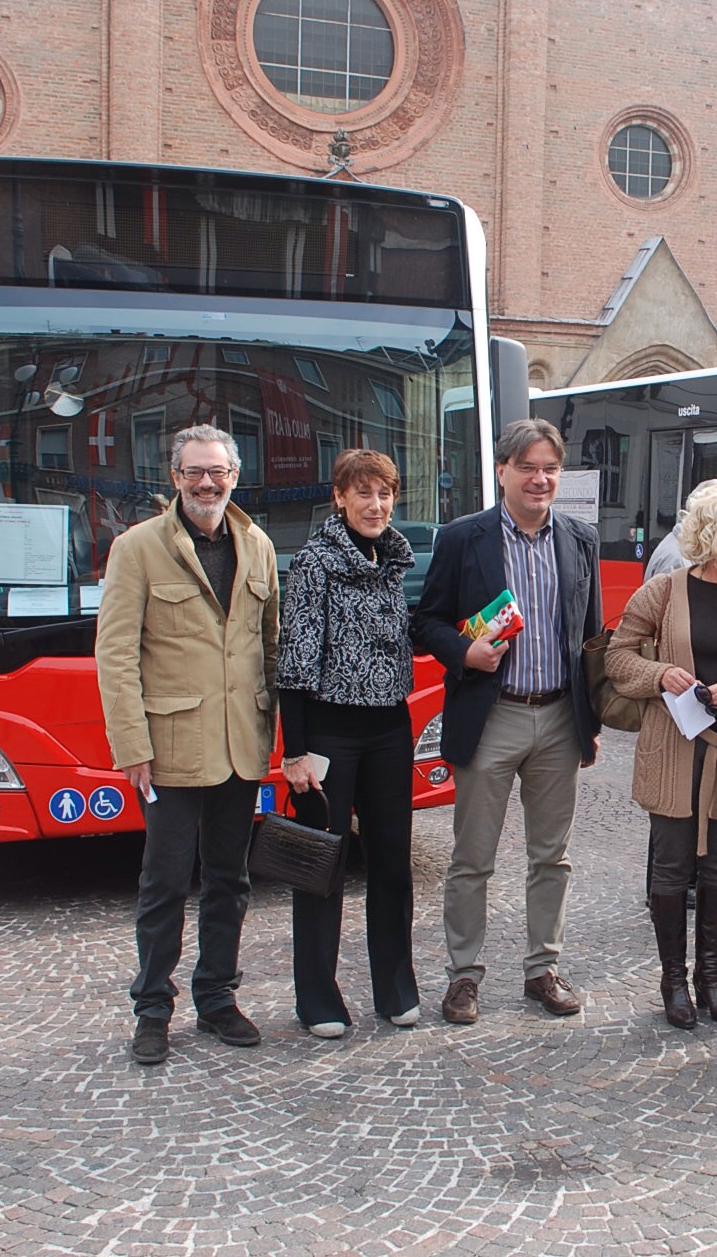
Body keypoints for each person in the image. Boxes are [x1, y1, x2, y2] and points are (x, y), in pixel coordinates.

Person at [96, 425, 280, 1065]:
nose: (208, 483)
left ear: (235, 476)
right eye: (195, 472)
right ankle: (152, 1007)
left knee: (230, 881)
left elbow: (270, 646)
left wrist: (280, 735)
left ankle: (217, 999)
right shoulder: (137, 548)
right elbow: (115, 655)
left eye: (220, 472)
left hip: (239, 746)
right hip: (170, 747)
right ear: (174, 477)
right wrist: (131, 746)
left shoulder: (257, 545)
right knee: (165, 883)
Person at [412, 419, 603, 1025]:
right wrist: (463, 652)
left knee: (553, 856)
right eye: (527, 467)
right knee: (473, 858)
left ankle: (542, 968)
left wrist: (590, 719)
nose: (540, 479)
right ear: (502, 472)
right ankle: (463, 976)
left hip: (557, 718)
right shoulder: (464, 538)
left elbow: (590, 640)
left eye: (550, 468)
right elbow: (428, 621)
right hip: (492, 716)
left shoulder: (580, 538)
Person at [606, 483, 717, 1028]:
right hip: (674, 749)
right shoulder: (661, 592)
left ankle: (712, 977)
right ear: (710, 537)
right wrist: (660, 673)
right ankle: (673, 981)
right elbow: (617, 658)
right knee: (671, 865)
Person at [276, 449, 420, 1038]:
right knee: (322, 867)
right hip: (330, 732)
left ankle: (395, 987)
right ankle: (317, 996)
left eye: (384, 493)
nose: (376, 505)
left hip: (389, 727)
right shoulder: (315, 563)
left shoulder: (389, 558)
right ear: (339, 497)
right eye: (363, 493)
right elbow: (295, 662)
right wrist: (295, 752)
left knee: (392, 864)